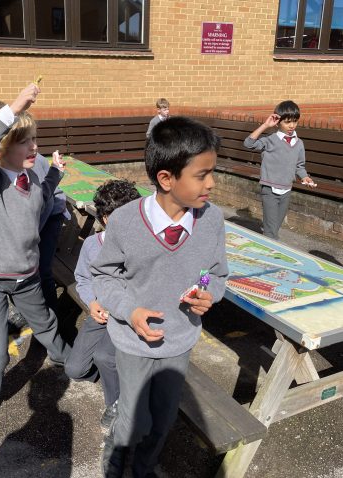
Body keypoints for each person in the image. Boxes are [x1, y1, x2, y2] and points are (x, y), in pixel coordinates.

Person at [91, 116, 229, 478]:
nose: (212, 184)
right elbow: (104, 275)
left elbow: (213, 270)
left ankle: (144, 468)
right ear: (166, 178)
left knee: (164, 418)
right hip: (133, 342)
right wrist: (129, 309)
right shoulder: (124, 222)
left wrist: (206, 290)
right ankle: (115, 461)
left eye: (212, 172)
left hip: (179, 342)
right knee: (133, 420)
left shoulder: (211, 220)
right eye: (202, 175)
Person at [0, 83, 70, 437]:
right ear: (3, 148)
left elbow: (42, 196)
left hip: (25, 276)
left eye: (34, 140)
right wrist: (14, 107)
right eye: (26, 141)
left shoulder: (33, 178)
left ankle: (64, 357)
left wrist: (55, 171)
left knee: (45, 322)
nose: (35, 147)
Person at [0, 101, 70, 320]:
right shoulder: (5, 161)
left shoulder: (25, 161)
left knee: (42, 271)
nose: (33, 146)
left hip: (48, 215)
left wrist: (26, 239)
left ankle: (49, 317)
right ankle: (33, 312)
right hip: (31, 216)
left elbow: (39, 205)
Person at [64, 179, 141, 430]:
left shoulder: (142, 246)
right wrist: (92, 303)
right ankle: (116, 376)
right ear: (106, 218)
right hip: (101, 313)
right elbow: (83, 279)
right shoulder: (92, 245)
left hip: (128, 317)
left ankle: (117, 402)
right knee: (75, 369)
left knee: (105, 356)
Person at [244, 100, 317, 240]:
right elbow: (248, 144)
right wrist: (265, 125)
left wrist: (305, 177)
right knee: (271, 232)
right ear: (278, 122)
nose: (292, 125)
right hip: (269, 189)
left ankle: (266, 243)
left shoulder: (299, 143)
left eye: (295, 121)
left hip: (286, 190)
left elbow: (299, 166)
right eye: (287, 122)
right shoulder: (270, 140)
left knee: (274, 227)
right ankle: (271, 253)